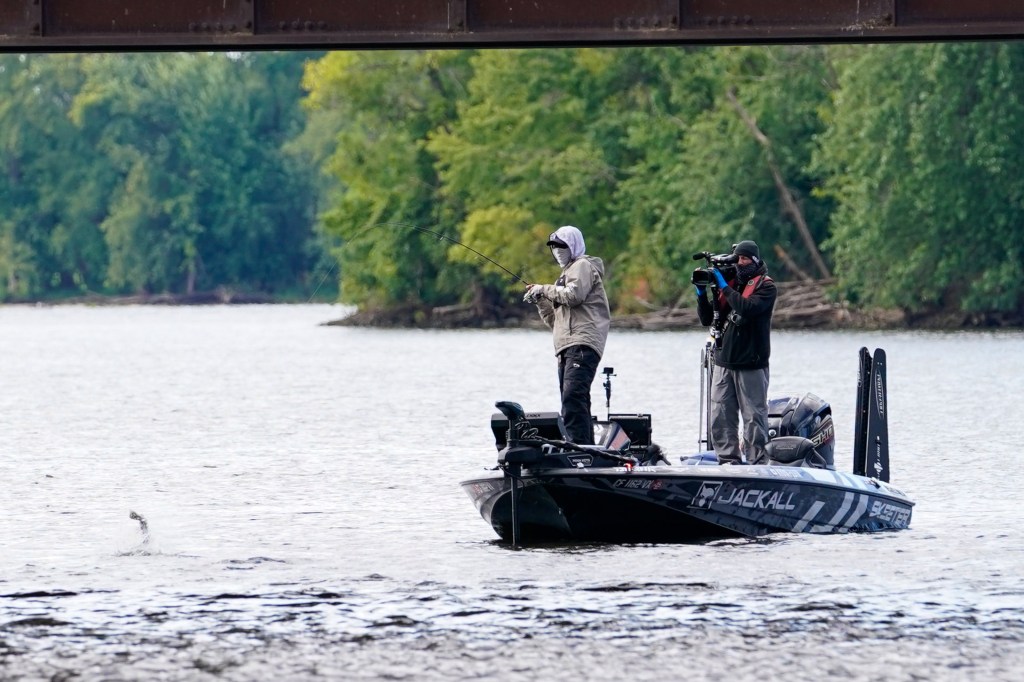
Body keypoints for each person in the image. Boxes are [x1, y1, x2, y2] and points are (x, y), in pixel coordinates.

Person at [523, 225, 610, 445]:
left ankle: (578, 448)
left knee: (573, 396)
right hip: (565, 346)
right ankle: (584, 447)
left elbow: (574, 296)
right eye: (553, 247)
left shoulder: (582, 266)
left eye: (561, 246)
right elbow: (556, 322)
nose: (557, 251)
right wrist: (540, 301)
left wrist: (543, 288)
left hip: (583, 342)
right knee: (573, 399)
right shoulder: (562, 278)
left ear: (573, 245)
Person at [695, 240, 777, 464]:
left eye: (744, 259)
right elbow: (707, 319)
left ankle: (756, 462)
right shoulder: (732, 284)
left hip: (751, 363)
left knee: (753, 417)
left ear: (755, 261)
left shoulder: (766, 287)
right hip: (724, 362)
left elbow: (747, 308)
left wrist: (724, 286)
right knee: (720, 415)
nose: (740, 263)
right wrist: (701, 294)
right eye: (737, 259)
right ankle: (728, 461)